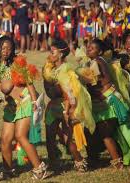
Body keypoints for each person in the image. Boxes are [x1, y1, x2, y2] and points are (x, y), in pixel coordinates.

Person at [0, 35, 47, 180]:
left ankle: (39, 168)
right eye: (3, 48)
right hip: (10, 107)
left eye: (9, 48)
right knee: (5, 140)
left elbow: (29, 82)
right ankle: (7, 170)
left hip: (25, 102)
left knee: (20, 136)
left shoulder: (17, 63)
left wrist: (34, 102)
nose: (6, 51)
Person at [81, 39, 130, 168]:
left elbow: (93, 84)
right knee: (121, 130)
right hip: (111, 97)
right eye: (88, 47)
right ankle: (123, 159)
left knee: (108, 133)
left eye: (93, 48)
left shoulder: (96, 63)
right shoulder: (101, 60)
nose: (89, 49)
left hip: (108, 100)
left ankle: (118, 162)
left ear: (99, 51)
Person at [43, 39, 95, 172]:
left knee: (68, 139)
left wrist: (69, 110)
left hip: (65, 107)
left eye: (53, 51)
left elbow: (70, 93)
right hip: (53, 107)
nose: (50, 54)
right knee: (49, 137)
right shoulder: (48, 69)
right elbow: (49, 91)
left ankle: (79, 161)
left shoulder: (66, 70)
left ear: (60, 54)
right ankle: (53, 163)